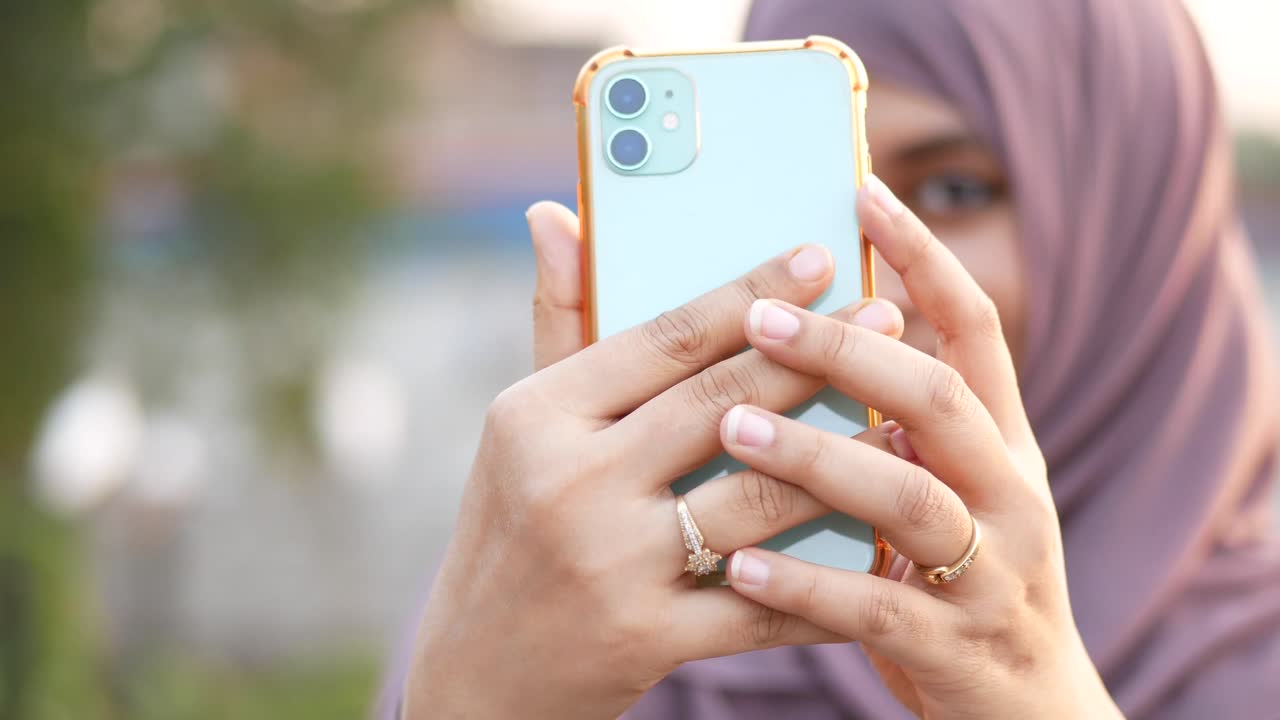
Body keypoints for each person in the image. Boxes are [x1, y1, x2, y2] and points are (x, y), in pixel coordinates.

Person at [382, 1, 1280, 717]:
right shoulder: (559, 616)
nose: (868, 286)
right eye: (804, 203)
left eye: (953, 190)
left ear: (1137, 230)